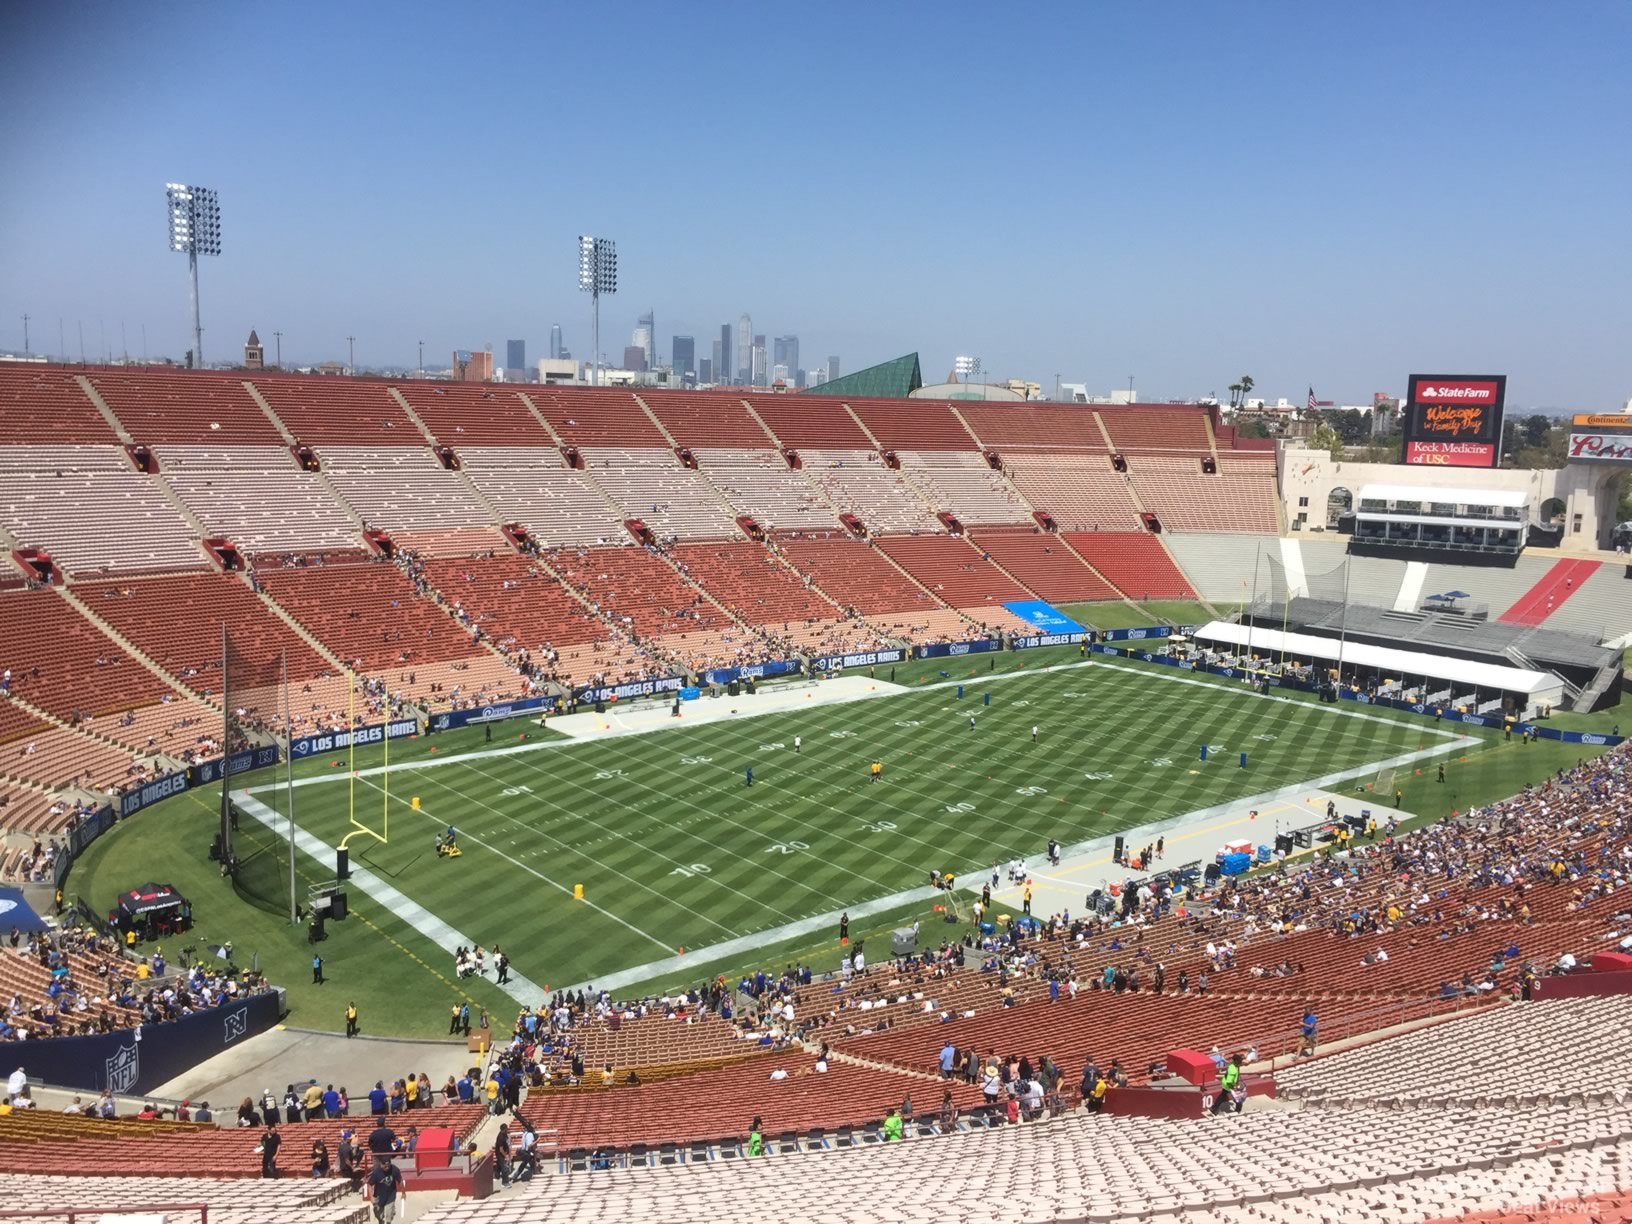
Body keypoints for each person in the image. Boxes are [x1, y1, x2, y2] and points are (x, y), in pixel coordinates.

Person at [366, 1156, 406, 1222]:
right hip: (379, 1195)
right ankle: (380, 1220)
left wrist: (403, 1193)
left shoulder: (394, 1169)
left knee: (388, 1214)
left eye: (388, 1166)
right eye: (385, 1166)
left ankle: (390, 1214)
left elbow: (400, 1181)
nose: (387, 1168)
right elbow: (370, 1184)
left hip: (391, 1194)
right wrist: (371, 1197)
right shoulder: (376, 1172)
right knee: (378, 1213)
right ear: (381, 1164)